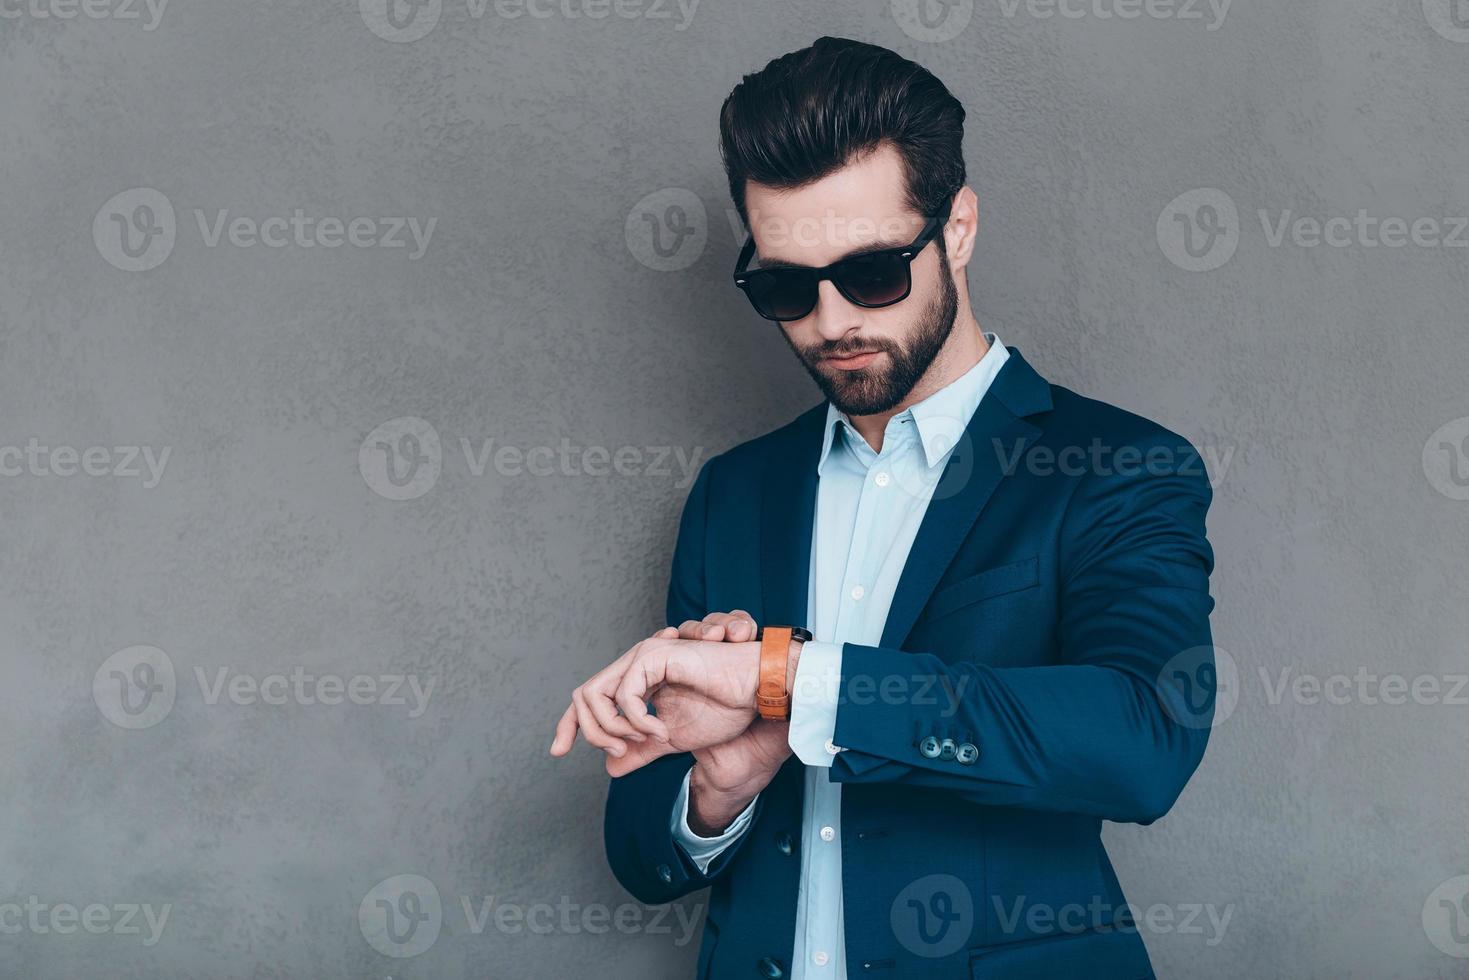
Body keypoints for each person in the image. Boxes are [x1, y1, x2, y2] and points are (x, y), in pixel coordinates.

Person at [550, 35, 1217, 980]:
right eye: (784, 286)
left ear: (958, 229)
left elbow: (1142, 741)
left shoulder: (1114, 467)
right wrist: (719, 791)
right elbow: (642, 858)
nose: (829, 323)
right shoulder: (734, 494)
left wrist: (787, 679)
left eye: (871, 274)